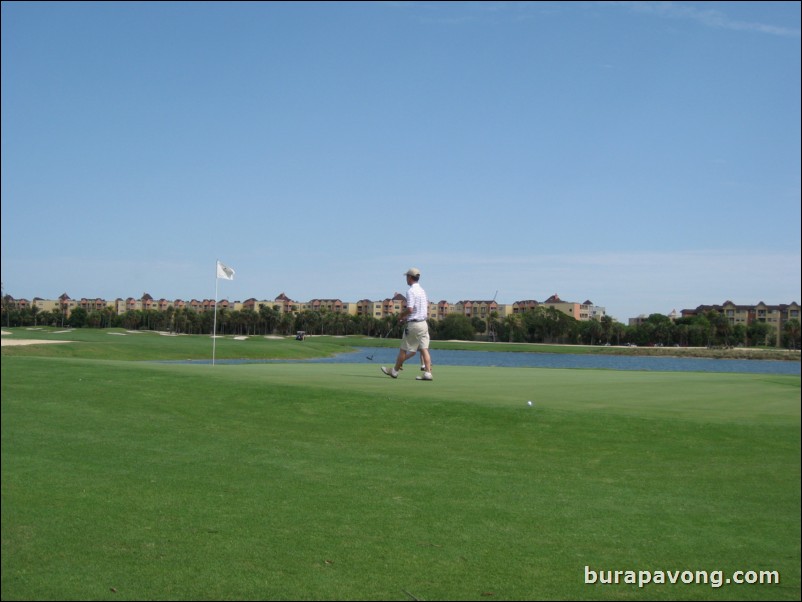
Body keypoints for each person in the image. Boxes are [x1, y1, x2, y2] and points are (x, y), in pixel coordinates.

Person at [382, 268, 433, 381]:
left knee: (403, 349)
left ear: (410, 277)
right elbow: (419, 311)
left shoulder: (410, 291)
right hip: (423, 324)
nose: (406, 279)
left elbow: (410, 309)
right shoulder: (423, 291)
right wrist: (406, 319)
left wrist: (401, 316)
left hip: (414, 325)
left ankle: (394, 371)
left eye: (406, 277)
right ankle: (428, 373)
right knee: (424, 349)